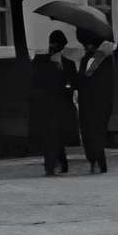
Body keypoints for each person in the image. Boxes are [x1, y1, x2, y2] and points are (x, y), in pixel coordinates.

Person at [29, 29, 79, 176]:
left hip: (62, 105)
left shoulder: (68, 64)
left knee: (58, 136)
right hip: (47, 105)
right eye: (53, 44)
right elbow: (36, 82)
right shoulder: (40, 61)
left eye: (57, 45)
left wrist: (67, 85)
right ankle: (50, 165)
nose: (54, 47)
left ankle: (61, 163)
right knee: (50, 136)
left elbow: (74, 82)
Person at [73, 30, 116, 174]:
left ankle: (98, 161)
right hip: (87, 102)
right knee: (88, 133)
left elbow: (106, 83)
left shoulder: (106, 60)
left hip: (100, 103)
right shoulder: (86, 60)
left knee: (96, 133)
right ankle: (94, 160)